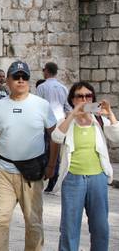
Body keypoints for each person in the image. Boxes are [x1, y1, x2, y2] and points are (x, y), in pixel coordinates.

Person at [0, 60, 58, 251]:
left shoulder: (41, 105)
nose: (21, 80)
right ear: (7, 80)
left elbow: (55, 137)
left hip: (32, 173)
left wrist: (51, 166)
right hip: (5, 172)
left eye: (25, 77)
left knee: (33, 223)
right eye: (16, 76)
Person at [51, 81, 119, 251]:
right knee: (69, 228)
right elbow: (56, 137)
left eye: (88, 96)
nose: (84, 99)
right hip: (73, 178)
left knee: (100, 227)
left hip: (98, 178)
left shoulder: (99, 120)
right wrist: (72, 115)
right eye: (79, 96)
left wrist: (110, 114)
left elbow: (117, 137)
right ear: (72, 99)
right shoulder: (65, 120)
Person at [37, 62, 72, 192]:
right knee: (57, 152)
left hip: (47, 123)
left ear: (46, 71)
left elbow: (38, 107)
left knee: (47, 150)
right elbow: (68, 107)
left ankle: (48, 176)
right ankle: (54, 178)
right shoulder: (63, 88)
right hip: (60, 122)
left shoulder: (42, 87)